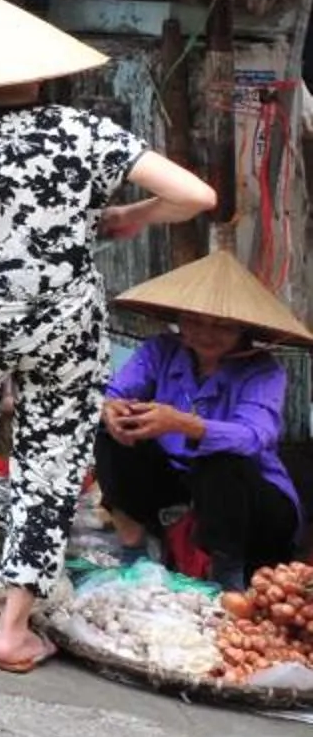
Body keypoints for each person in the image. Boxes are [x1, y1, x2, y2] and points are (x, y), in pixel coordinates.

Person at [0, 0, 217, 672]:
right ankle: (13, 630)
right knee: (52, 463)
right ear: (41, 73)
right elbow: (197, 197)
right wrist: (134, 216)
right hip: (63, 325)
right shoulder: (83, 132)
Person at [94, 249, 309, 590]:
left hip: (250, 507)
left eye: (222, 325)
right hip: (177, 492)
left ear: (243, 327)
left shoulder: (263, 371)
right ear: (179, 319)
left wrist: (183, 424)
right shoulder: (161, 350)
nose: (207, 333)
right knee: (111, 430)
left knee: (220, 459)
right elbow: (113, 392)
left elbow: (255, 436)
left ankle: (226, 578)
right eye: (195, 321)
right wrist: (110, 408)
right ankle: (135, 547)